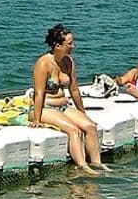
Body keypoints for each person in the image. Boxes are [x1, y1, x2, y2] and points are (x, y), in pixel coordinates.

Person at [29, 24, 109, 174]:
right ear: (58, 45)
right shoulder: (43, 63)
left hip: (63, 107)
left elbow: (74, 89)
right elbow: (39, 93)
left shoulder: (68, 62)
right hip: (45, 107)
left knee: (90, 126)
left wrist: (82, 112)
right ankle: (82, 166)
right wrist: (37, 120)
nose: (73, 46)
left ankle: (97, 163)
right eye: (69, 43)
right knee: (73, 130)